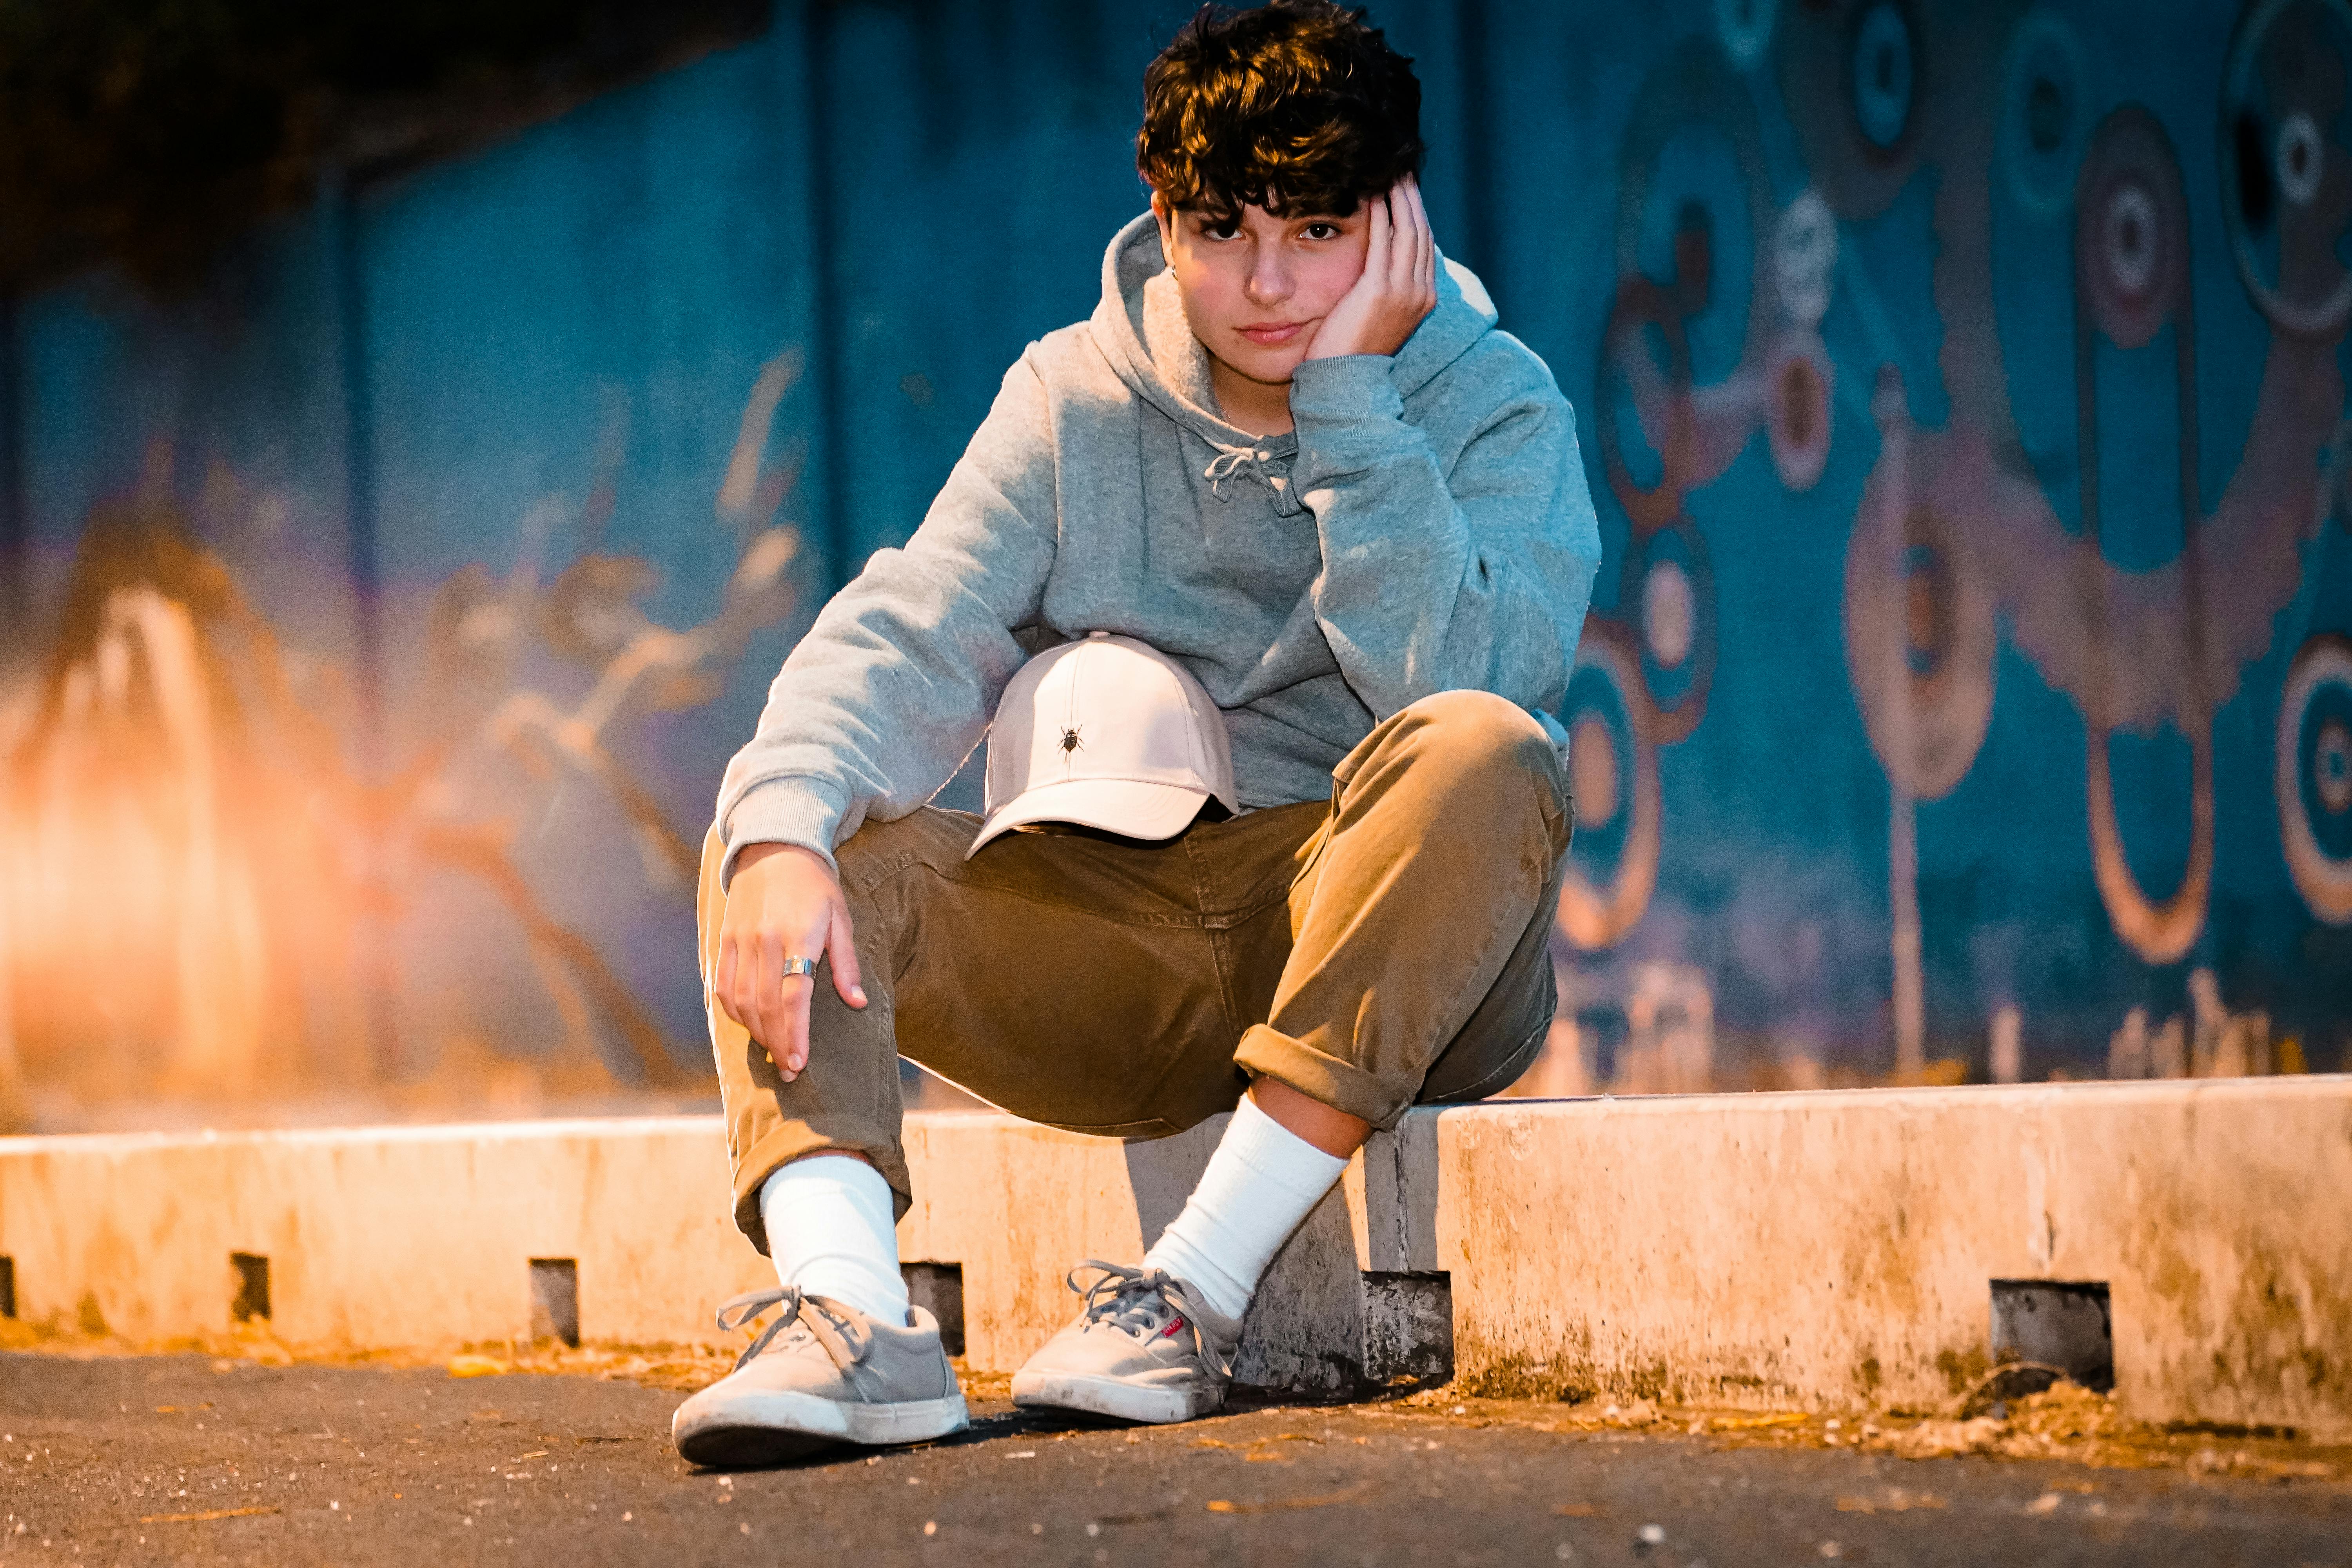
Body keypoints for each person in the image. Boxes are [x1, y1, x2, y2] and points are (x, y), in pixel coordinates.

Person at [670, 0, 1599, 1467]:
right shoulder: (1075, 398)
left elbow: (1459, 681)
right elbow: (911, 623)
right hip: (1135, 953)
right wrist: (783, 828)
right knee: (784, 824)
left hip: (1404, 957)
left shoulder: (1495, 408)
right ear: (1163, 219)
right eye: (1226, 229)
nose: (1272, 281)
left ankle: (1186, 1295)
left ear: (1396, 221)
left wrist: (1355, 403)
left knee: (1485, 746)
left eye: (1317, 228)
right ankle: (853, 1321)